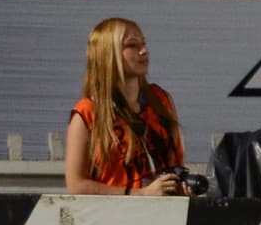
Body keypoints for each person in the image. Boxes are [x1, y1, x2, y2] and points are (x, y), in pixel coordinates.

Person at [64, 17, 192, 196]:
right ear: (107, 53)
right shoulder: (88, 112)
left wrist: (181, 186)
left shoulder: (161, 100)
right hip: (113, 218)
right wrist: (140, 194)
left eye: (144, 44)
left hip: (164, 214)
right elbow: (76, 186)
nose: (144, 51)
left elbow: (175, 164)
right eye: (132, 46)